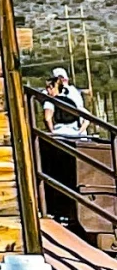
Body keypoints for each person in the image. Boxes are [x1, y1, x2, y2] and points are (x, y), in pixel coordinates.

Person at [40, 66, 89, 234]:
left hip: (60, 137)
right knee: (72, 175)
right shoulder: (73, 100)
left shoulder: (51, 101)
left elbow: (47, 117)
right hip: (74, 137)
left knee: (56, 174)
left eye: (50, 87)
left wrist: (53, 131)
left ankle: (58, 212)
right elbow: (86, 118)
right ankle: (71, 213)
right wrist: (79, 132)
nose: (47, 90)